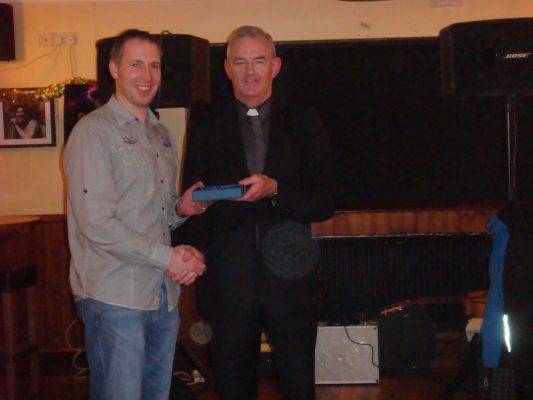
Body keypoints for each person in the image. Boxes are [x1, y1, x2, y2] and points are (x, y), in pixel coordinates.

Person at [180, 25, 335, 399]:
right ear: (227, 68)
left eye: (259, 60)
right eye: (240, 61)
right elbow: (192, 202)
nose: (250, 71)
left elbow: (324, 202)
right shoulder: (205, 123)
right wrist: (190, 249)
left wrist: (276, 189)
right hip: (226, 280)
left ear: (275, 66)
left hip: (291, 279)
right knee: (233, 387)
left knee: (299, 385)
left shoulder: (305, 121)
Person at [64, 29, 210, 400]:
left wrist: (180, 208)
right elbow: (97, 223)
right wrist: (169, 257)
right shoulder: (92, 133)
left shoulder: (161, 133)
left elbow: (155, 215)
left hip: (161, 293)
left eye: (154, 66)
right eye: (136, 64)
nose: (147, 75)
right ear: (114, 69)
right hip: (114, 297)